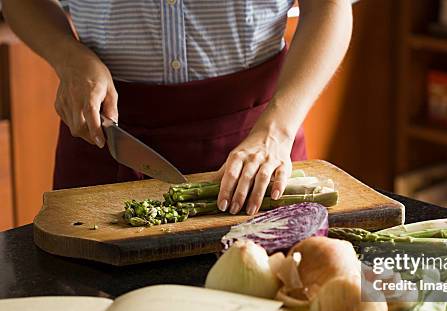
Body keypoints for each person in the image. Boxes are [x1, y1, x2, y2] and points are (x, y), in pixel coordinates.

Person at [2, 0, 352, 215]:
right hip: (105, 134)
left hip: (259, 141)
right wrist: (68, 57)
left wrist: (277, 131)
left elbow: (329, 5)